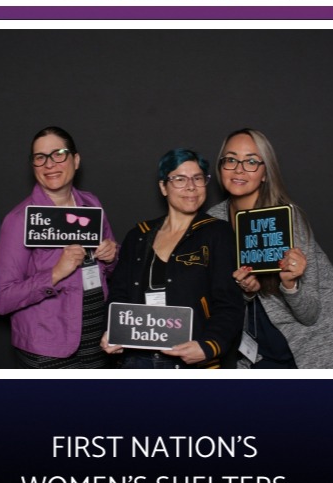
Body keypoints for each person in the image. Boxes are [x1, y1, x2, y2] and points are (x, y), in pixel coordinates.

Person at [209, 128, 333, 368]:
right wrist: (246, 291)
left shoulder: (286, 219)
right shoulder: (214, 219)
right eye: (231, 159)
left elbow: (310, 314)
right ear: (221, 166)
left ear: (265, 173)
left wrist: (291, 284)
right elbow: (222, 296)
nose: (239, 169)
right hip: (258, 339)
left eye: (251, 161)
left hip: (319, 336)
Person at [102, 146, 243, 368]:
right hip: (137, 360)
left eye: (198, 178)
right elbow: (118, 294)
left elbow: (229, 303)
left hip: (191, 360)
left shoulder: (218, 233)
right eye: (179, 179)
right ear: (163, 187)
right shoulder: (138, 235)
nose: (191, 186)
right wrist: (112, 331)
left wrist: (209, 345)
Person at [0, 125, 118, 368]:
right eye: (40, 157)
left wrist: (112, 255)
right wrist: (55, 273)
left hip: (97, 341)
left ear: (76, 160)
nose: (49, 164)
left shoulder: (91, 204)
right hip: (48, 348)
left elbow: (111, 269)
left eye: (58, 154)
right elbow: (2, 299)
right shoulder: (20, 220)